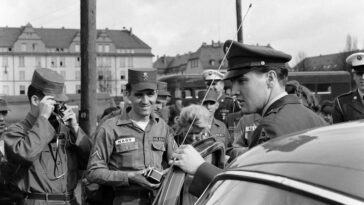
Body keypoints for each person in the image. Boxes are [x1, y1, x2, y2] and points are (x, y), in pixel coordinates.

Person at [170, 40, 327, 197]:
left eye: (242, 81)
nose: (234, 91)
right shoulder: (314, 118)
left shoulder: (270, 127)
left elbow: (250, 193)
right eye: (233, 82)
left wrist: (199, 168)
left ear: (270, 79)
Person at [86, 68, 177, 205]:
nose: (145, 101)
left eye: (150, 94)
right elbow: (93, 172)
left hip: (159, 199)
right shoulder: (110, 128)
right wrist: (130, 177)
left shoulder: (162, 127)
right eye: (139, 95)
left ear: (156, 94)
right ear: (128, 95)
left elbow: (175, 161)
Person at [3, 68, 92, 205]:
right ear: (35, 100)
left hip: (70, 200)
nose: (59, 107)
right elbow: (26, 153)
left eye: (61, 103)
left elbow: (90, 162)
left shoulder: (66, 130)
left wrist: (75, 128)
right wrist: (43, 117)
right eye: (54, 102)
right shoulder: (16, 132)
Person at [332, 52, 364, 123]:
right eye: (359, 74)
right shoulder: (342, 103)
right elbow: (337, 132)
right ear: (354, 76)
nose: (363, 77)